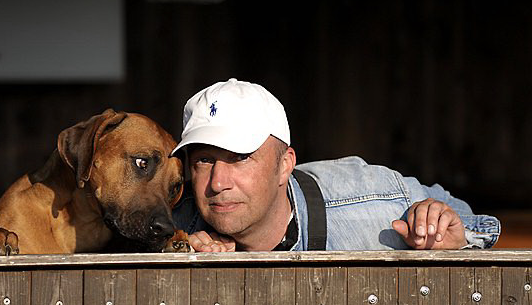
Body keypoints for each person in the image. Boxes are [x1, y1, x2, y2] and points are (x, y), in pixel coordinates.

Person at [171, 78, 501, 252]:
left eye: (241, 157)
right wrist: (174, 255)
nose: (218, 182)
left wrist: (450, 234)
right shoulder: (172, 225)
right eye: (204, 160)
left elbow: (471, 221)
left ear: (285, 165)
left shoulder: (371, 201)